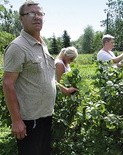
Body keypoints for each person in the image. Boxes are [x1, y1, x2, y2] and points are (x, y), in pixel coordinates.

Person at [3, 1, 54, 154]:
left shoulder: (42, 45)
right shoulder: (18, 47)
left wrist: (63, 89)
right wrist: (17, 120)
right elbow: (7, 83)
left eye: (40, 14)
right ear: (21, 18)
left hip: (46, 116)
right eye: (31, 13)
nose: (37, 17)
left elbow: (44, 77)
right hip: (29, 121)